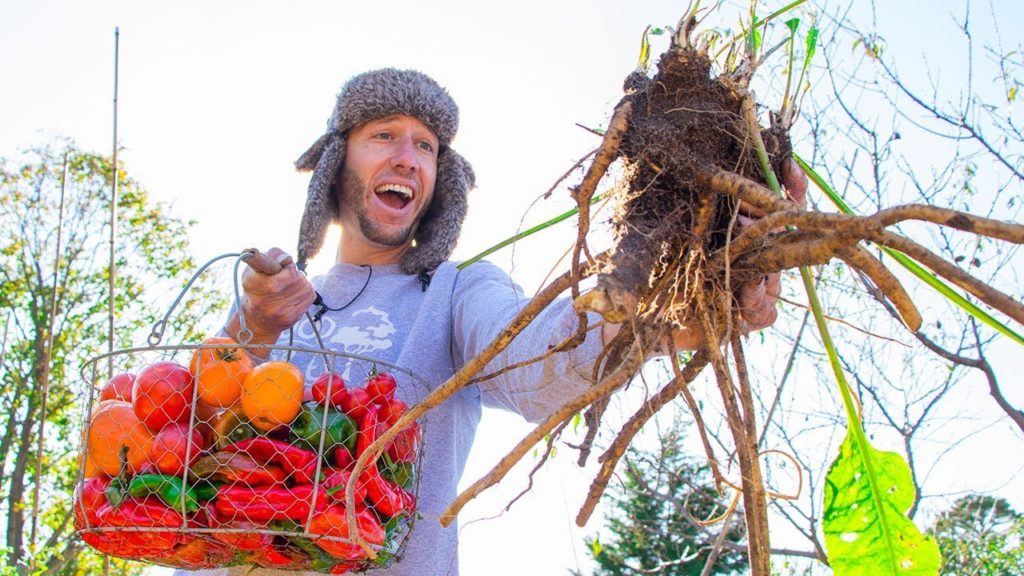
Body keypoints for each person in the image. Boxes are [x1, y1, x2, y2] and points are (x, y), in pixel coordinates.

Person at [200, 68, 806, 576]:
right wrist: (252, 327)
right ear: (337, 164)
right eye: (384, 135)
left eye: (427, 146)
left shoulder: (458, 292)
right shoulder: (272, 302)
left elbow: (548, 361)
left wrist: (699, 296)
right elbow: (185, 450)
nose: (407, 159)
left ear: (442, 184)